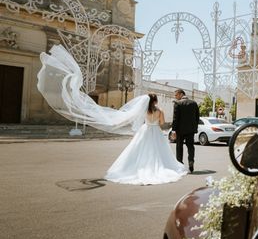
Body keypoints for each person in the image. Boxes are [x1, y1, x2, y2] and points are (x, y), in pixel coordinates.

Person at [36, 45, 188, 185]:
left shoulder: (144, 110)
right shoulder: (160, 111)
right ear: (155, 101)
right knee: (158, 155)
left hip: (145, 131)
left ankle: (132, 170)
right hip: (155, 132)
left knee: (137, 153)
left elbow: (137, 119)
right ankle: (158, 170)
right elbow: (161, 124)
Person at [171, 89, 199, 173]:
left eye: (176, 95)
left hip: (180, 130)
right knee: (190, 146)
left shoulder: (177, 103)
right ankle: (191, 161)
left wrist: (173, 130)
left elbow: (175, 118)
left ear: (181, 94)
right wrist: (195, 127)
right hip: (191, 130)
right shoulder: (194, 103)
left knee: (179, 147)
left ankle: (180, 164)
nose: (175, 97)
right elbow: (197, 117)